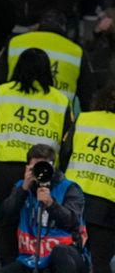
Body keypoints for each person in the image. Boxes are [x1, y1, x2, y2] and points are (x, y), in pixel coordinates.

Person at [0, 48, 74, 265]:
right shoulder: (60, 100)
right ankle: (39, 264)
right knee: (41, 218)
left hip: (6, 166)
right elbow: (67, 140)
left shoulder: (2, 92)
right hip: (43, 167)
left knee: (7, 220)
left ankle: (10, 266)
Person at [0, 144, 87, 273]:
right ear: (28, 168)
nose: (41, 172)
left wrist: (51, 204)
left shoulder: (69, 188)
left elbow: (72, 222)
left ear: (54, 167)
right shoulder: (22, 187)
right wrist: (23, 189)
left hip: (65, 256)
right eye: (36, 168)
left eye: (45, 167)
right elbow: (5, 216)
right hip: (30, 258)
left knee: (60, 253)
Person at [0, 9, 96, 111]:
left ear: (39, 24)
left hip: (15, 113)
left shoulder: (15, 42)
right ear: (64, 27)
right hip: (57, 115)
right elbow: (87, 93)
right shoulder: (76, 51)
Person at [62, 85, 115, 273]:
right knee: (100, 261)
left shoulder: (84, 119)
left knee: (67, 258)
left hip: (74, 198)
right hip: (107, 206)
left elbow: (65, 152)